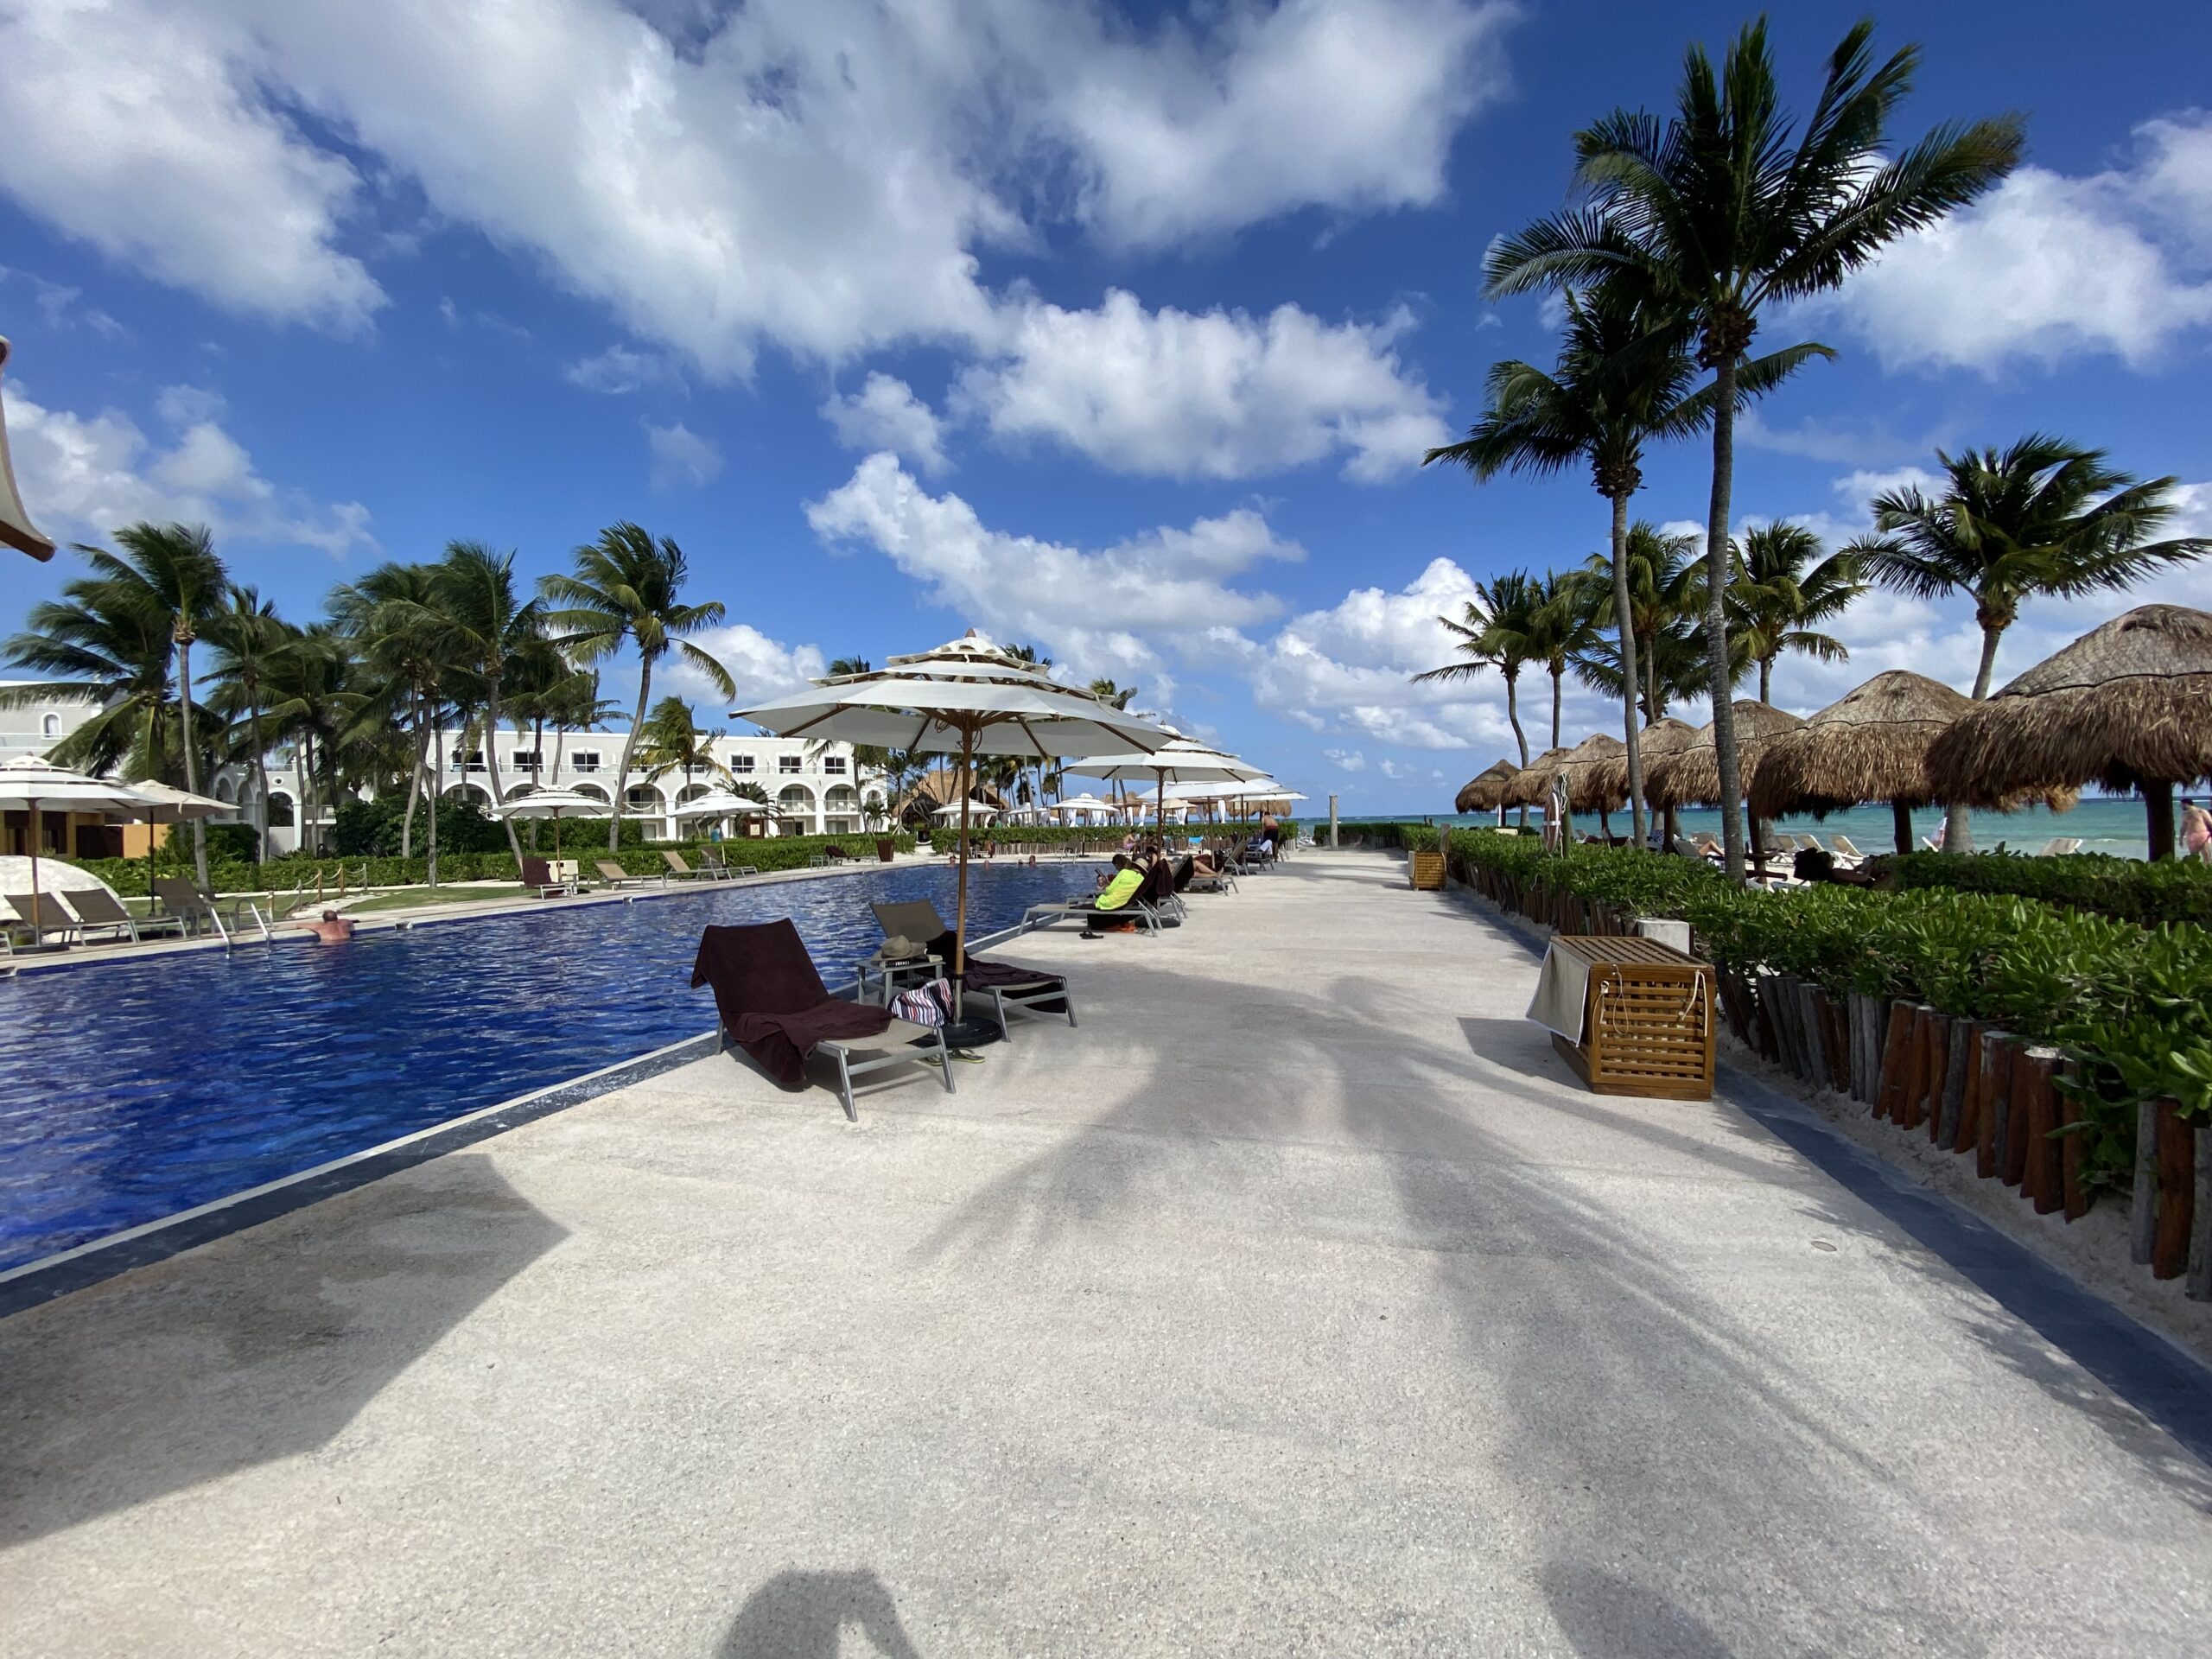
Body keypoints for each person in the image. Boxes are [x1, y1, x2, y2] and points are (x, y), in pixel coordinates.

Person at [2183, 798, 2212, 863]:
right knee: (2195, 856)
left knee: (2206, 854)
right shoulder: (2185, 814)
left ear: (2186, 804)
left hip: (2201, 835)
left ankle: (2207, 869)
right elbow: (2183, 827)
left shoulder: (2201, 811)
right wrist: (2181, 838)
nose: (2181, 806)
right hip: (2192, 836)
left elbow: (2210, 822)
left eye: (2182, 804)